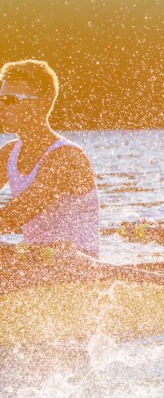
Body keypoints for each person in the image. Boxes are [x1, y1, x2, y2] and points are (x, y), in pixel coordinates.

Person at [0, 60, 100, 268]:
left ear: (42, 103)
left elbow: (18, 213)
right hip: (38, 260)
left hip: (78, 265)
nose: (1, 106)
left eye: (10, 99)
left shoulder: (66, 156)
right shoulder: (9, 152)